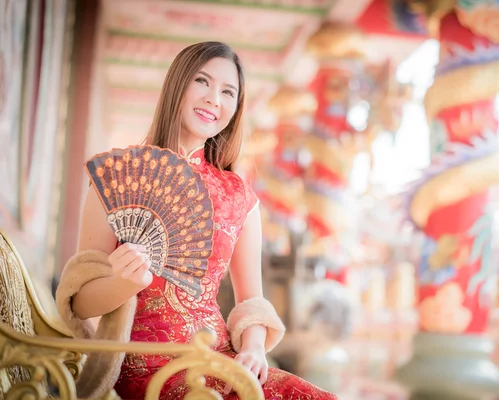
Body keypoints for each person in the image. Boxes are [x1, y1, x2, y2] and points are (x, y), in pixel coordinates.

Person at [55, 41, 338, 400]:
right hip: (146, 366)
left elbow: (251, 302)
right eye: (202, 82)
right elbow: (79, 304)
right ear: (178, 84)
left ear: (236, 108)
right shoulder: (118, 177)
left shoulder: (239, 197)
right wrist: (124, 282)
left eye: (228, 92)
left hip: (219, 356)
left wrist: (253, 349)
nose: (214, 99)